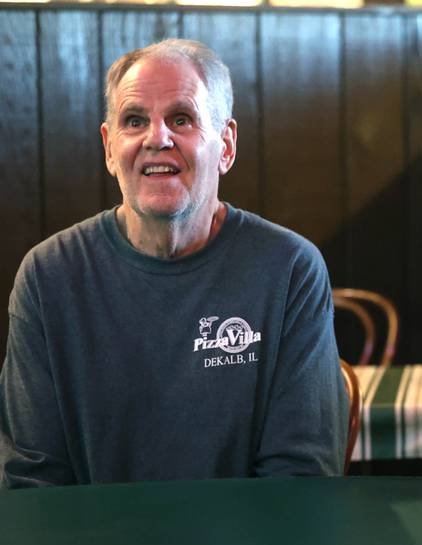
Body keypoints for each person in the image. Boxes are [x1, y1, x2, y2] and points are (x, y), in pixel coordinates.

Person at [0, 39, 348, 487]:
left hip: (247, 536)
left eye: (181, 119)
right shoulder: (48, 276)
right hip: (92, 536)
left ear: (226, 145)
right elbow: (31, 482)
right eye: (134, 121)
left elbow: (301, 478)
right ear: (109, 148)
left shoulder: (290, 269)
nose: (157, 138)